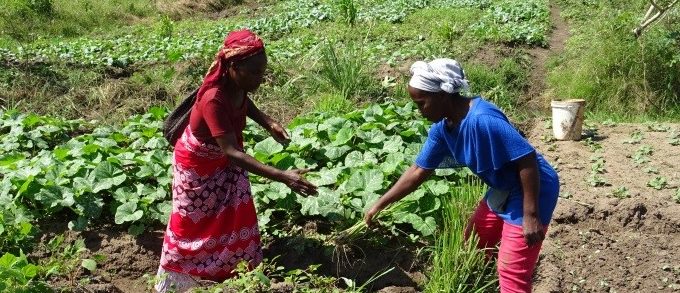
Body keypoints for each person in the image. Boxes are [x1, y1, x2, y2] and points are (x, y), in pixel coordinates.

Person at [364, 59, 559, 293]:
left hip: (532, 187)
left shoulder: (482, 119)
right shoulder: (443, 128)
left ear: (443, 95)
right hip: (503, 183)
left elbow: (526, 160)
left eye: (421, 104)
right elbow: (418, 171)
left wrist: (531, 215)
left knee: (511, 270)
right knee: (476, 239)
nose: (419, 112)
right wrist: (379, 205)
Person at [155, 29, 317, 293]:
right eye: (254, 73)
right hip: (197, 165)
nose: (260, 79)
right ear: (232, 67)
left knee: (234, 213)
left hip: (224, 157)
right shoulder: (213, 98)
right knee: (191, 224)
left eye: (262, 73)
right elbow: (231, 152)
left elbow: (244, 103)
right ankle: (177, 281)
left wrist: (269, 122)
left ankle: (232, 269)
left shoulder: (237, 85)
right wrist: (283, 175)